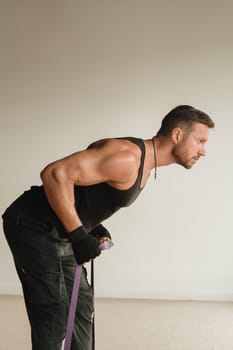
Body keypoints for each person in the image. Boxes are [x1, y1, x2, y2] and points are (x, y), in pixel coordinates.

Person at [2, 105, 214, 350]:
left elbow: (83, 192)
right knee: (53, 312)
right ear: (177, 135)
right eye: (200, 141)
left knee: (81, 307)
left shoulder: (144, 164)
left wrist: (91, 226)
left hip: (60, 230)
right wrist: (78, 234)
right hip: (32, 226)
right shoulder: (128, 157)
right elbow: (54, 174)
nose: (203, 151)